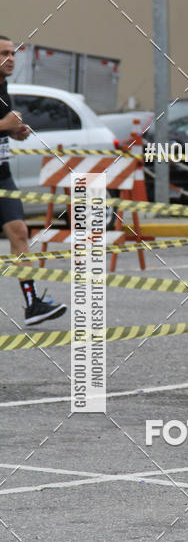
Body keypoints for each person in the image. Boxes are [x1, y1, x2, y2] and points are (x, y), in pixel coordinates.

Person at [0, 36, 67, 325]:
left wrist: (13, 132)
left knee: (19, 232)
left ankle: (33, 304)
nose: (11, 58)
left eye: (13, 53)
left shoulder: (3, 86)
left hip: (2, 173)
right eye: (4, 53)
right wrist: (5, 125)